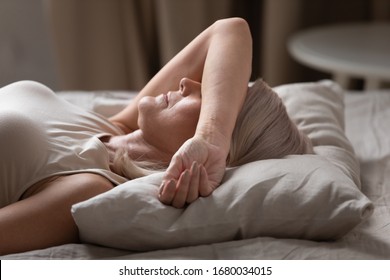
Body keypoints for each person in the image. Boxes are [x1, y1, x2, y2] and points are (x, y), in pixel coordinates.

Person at [0, 18, 311, 255]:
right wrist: (211, 135)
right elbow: (228, 29)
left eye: (209, 95)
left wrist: (210, 144)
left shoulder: (86, 186)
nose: (188, 82)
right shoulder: (114, 126)